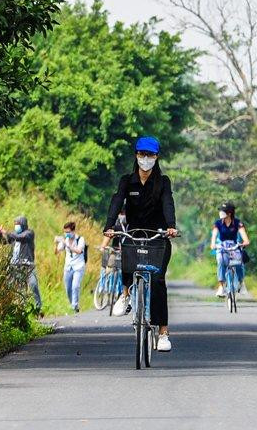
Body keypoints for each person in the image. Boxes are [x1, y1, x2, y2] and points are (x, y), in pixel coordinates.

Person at [103, 136, 178, 352]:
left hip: (158, 237)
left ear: (156, 158)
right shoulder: (127, 181)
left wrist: (171, 226)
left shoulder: (163, 182)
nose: (145, 159)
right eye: (142, 154)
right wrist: (109, 225)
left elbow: (168, 203)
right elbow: (117, 201)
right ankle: (125, 294)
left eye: (150, 155)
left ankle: (163, 332)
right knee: (126, 258)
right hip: (135, 234)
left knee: (158, 280)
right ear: (136, 156)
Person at [0, 215, 43, 314]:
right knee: (20, 289)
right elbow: (3, 242)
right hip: (16, 266)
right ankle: (21, 310)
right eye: (15, 224)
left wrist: (7, 233)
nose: (16, 226)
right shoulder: (13, 235)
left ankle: (38, 307)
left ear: (23, 224)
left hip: (28, 266)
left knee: (33, 285)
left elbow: (21, 237)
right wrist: (0, 234)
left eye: (18, 224)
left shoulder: (29, 233)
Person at [210, 201, 250, 297]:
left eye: (223, 211)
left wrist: (245, 242)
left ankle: (241, 283)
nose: (221, 213)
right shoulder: (218, 223)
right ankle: (221, 286)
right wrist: (213, 244)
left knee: (239, 262)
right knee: (221, 261)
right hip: (222, 246)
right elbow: (214, 235)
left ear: (229, 213)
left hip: (234, 245)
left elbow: (244, 236)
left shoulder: (237, 223)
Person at [55, 221, 87, 313]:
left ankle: (75, 305)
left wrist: (68, 245)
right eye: (65, 232)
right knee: (68, 288)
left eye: (68, 232)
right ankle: (72, 303)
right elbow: (57, 252)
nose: (67, 234)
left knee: (75, 286)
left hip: (78, 266)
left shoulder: (80, 239)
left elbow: (79, 251)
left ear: (73, 231)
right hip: (68, 267)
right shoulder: (65, 240)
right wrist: (56, 243)